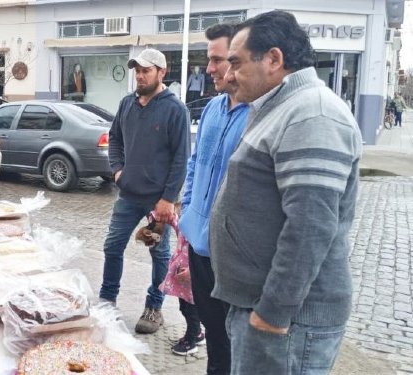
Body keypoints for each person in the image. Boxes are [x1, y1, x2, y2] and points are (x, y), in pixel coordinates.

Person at [210, 11, 362, 374]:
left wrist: (273, 312)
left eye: (236, 63)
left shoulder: (313, 115)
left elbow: (310, 227)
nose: (229, 76)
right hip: (263, 311)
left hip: (286, 323)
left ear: (274, 59)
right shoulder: (280, 108)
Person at [100, 48, 190, 334]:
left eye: (146, 70)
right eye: (137, 70)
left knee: (159, 255)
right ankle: (107, 301)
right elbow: (114, 138)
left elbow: (181, 158)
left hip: (158, 202)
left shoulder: (175, 109)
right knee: (112, 246)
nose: (139, 75)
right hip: (128, 195)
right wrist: (117, 170)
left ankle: (154, 307)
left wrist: (167, 199)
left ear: (162, 72)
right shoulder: (127, 104)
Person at [178, 23, 248, 373]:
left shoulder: (259, 116)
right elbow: (195, 164)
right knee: (216, 340)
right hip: (199, 246)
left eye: (217, 60)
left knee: (235, 343)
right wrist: (187, 211)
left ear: (238, 61)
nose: (209, 69)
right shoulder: (212, 109)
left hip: (231, 254)